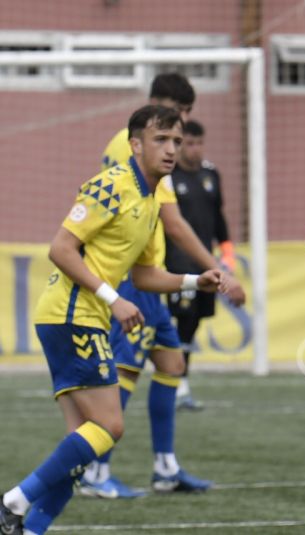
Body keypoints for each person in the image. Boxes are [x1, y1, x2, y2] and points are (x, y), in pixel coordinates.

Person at [0, 105, 223, 535]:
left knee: (82, 443)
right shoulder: (111, 186)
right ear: (135, 144)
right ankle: (14, 501)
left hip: (84, 316)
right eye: (161, 140)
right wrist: (113, 298)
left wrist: (197, 280)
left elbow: (144, 275)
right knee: (109, 425)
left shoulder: (149, 200)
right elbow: (61, 248)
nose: (171, 149)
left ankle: (30, 530)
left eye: (176, 141)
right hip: (71, 314)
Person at [77, 73, 246, 500]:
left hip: (147, 270)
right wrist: (221, 272)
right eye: (177, 114)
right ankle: (96, 470)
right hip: (133, 277)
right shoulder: (139, 146)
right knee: (127, 372)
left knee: (171, 365)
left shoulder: (153, 145)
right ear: (155, 104)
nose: (181, 128)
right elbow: (173, 223)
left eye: (186, 118)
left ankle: (165, 468)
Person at [164, 119, 236, 411]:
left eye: (197, 143)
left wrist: (227, 257)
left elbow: (219, 220)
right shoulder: (168, 177)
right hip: (176, 263)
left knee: (191, 324)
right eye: (187, 144)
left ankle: (180, 383)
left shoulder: (210, 174)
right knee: (179, 320)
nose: (193, 150)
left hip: (206, 263)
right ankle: (176, 385)